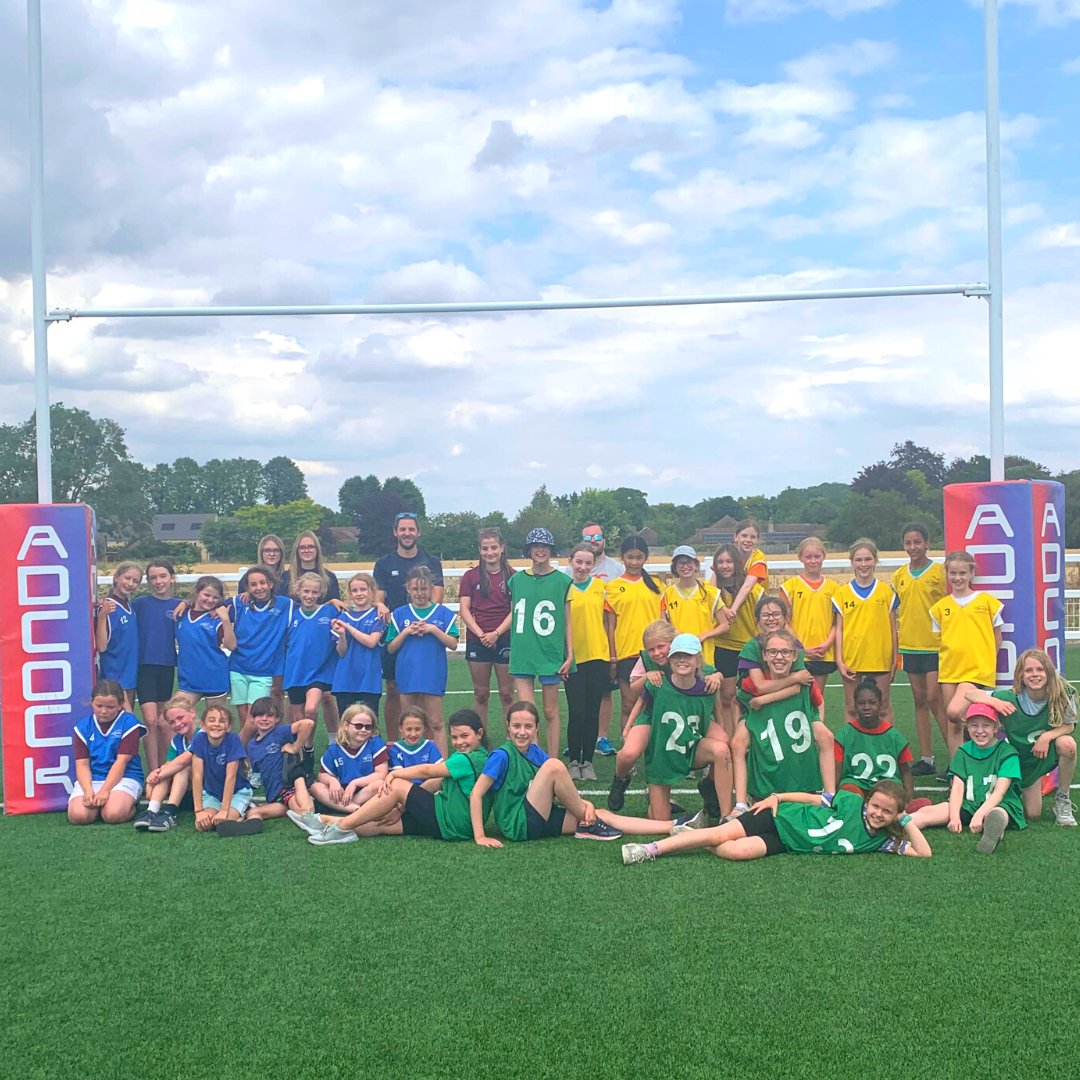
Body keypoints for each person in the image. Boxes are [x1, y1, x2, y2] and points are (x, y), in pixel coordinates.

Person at [469, 702, 683, 845]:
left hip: (539, 816)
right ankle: (586, 817)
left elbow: (558, 790)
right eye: (516, 726)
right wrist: (480, 836)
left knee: (602, 815)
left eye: (527, 726)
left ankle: (674, 826)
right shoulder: (502, 755)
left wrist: (586, 806)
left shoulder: (536, 753)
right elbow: (477, 794)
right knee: (554, 766)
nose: (522, 732)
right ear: (507, 728)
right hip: (518, 824)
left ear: (536, 729)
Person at [291, 708, 493, 844]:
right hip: (451, 824)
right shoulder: (470, 756)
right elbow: (434, 782)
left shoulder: (472, 758)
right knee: (384, 825)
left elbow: (429, 771)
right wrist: (403, 807)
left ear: (480, 734)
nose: (459, 742)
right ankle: (324, 821)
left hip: (453, 821)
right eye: (455, 737)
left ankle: (341, 825)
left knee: (397, 786)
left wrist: (396, 776)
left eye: (465, 736)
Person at [621, 780, 931, 863]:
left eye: (887, 812)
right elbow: (812, 799)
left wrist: (907, 822)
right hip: (780, 817)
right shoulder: (849, 801)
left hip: (788, 842)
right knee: (719, 836)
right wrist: (778, 798)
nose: (878, 814)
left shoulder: (882, 840)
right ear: (868, 800)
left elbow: (924, 853)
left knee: (734, 852)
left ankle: (694, 834)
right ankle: (651, 849)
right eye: (876, 805)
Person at [964, 648, 1077, 826]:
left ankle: (1062, 798)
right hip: (1022, 760)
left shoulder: (1062, 693)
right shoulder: (1010, 697)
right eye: (1029, 670)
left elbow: (1069, 725)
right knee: (1033, 814)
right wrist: (994, 701)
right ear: (1021, 675)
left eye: (1040, 669)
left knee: (1068, 744)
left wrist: (1047, 736)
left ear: (1048, 671)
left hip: (1044, 754)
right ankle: (1016, 792)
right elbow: (969, 693)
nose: (1035, 674)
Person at [730, 630, 835, 817]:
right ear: (764, 655)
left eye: (785, 652)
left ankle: (829, 796)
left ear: (795, 655)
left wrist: (816, 722)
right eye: (772, 652)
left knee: (826, 736)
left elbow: (818, 702)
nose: (779, 657)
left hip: (798, 765)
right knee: (738, 743)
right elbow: (738, 702)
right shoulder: (752, 684)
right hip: (767, 761)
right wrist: (741, 723)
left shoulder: (804, 681)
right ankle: (740, 803)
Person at [628, 634, 731, 821]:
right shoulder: (658, 683)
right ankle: (656, 802)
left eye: (688, 656)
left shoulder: (707, 685)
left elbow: (717, 711)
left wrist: (718, 675)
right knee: (660, 820)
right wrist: (628, 730)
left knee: (722, 748)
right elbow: (640, 705)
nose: (682, 660)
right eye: (677, 656)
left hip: (691, 748)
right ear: (670, 660)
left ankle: (726, 815)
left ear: (698, 660)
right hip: (662, 757)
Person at [909, 702, 1025, 854]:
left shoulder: (1007, 753)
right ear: (967, 727)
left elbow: (999, 793)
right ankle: (899, 823)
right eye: (974, 725)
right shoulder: (962, 752)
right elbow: (957, 787)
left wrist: (979, 815)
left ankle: (993, 828)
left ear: (996, 728)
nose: (980, 731)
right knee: (932, 812)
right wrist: (954, 816)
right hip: (969, 803)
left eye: (986, 725)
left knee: (998, 814)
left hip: (1000, 804)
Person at [373, 512, 445, 740]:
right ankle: (395, 743)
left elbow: (437, 597)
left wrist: (424, 623)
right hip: (397, 635)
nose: (407, 533)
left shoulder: (431, 562)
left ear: (418, 532)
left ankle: (427, 745)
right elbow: (378, 598)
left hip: (425, 637)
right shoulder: (384, 564)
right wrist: (380, 606)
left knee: (425, 694)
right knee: (393, 690)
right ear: (395, 532)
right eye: (402, 529)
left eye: (411, 529)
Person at [929, 550, 1004, 759]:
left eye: (962, 572)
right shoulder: (939, 607)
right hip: (949, 672)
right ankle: (958, 770)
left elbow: (997, 638)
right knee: (953, 724)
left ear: (971, 573)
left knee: (955, 713)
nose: (958, 577)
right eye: (953, 573)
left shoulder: (987, 602)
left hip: (976, 673)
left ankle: (980, 763)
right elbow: (942, 641)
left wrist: (985, 661)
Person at [508, 528, 573, 757]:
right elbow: (515, 613)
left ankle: (552, 762)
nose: (540, 550)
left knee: (550, 710)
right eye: (536, 546)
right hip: (524, 650)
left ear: (551, 549)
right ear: (529, 550)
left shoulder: (562, 581)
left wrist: (570, 654)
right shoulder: (516, 580)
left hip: (550, 650)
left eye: (544, 546)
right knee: (528, 712)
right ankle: (532, 761)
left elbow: (566, 621)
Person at [385, 566, 458, 756]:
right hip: (407, 674)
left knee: (435, 721)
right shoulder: (400, 614)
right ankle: (409, 761)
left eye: (424, 588)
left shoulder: (442, 614)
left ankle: (441, 765)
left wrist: (433, 630)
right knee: (410, 723)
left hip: (433, 673)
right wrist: (407, 632)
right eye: (415, 589)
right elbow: (391, 647)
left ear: (431, 589)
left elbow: (453, 644)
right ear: (408, 589)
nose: (420, 593)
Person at [892, 523, 947, 776]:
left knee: (936, 699)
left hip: (935, 646)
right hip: (910, 646)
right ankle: (927, 758)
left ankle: (958, 757)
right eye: (908, 542)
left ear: (927, 543)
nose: (913, 547)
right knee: (919, 700)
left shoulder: (939, 572)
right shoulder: (899, 575)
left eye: (917, 542)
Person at [605, 535, 663, 744]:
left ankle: (654, 749)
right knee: (629, 704)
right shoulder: (612, 587)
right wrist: (612, 658)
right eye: (630, 557)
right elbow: (610, 626)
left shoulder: (656, 585)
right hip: (626, 653)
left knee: (656, 704)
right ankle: (629, 748)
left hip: (654, 653)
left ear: (645, 558)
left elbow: (663, 621)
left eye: (639, 557)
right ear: (622, 558)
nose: (634, 562)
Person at [833, 538, 898, 723]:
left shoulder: (886, 592)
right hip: (852, 658)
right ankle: (851, 750)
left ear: (875, 560)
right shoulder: (842, 593)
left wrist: (894, 661)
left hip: (880, 658)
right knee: (852, 708)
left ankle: (887, 750)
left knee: (883, 707)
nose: (863, 564)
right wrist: (839, 660)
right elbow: (839, 629)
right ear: (852, 562)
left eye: (868, 559)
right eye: (859, 560)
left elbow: (893, 630)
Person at [68, 678, 145, 826]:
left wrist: (105, 791)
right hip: (95, 777)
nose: (103, 711)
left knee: (113, 814)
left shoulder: (129, 724)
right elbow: (82, 764)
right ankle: (100, 805)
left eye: (110, 707)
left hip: (125, 776)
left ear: (121, 705)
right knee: (79, 816)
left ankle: (130, 805)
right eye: (99, 705)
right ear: (92, 702)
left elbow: (121, 762)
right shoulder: (83, 726)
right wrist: (88, 790)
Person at [458, 527, 515, 723]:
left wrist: (496, 634)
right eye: (485, 548)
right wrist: (482, 634)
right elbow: (464, 609)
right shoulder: (470, 576)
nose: (489, 552)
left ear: (502, 548)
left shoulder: (513, 576)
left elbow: (514, 611)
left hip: (505, 638)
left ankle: (512, 740)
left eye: (493, 547)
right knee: (481, 694)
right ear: (480, 550)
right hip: (477, 640)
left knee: (507, 694)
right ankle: (480, 740)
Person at [703, 543, 761, 732]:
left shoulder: (754, 590)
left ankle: (751, 735)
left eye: (729, 561)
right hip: (723, 646)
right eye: (720, 562)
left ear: (737, 563)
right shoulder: (710, 591)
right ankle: (730, 736)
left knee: (751, 694)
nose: (725, 566)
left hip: (748, 647)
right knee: (726, 695)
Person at [228, 564, 291, 737]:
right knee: (243, 718)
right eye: (253, 584)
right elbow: (211, 603)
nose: (259, 587)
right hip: (238, 668)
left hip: (263, 671)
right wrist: (187, 603)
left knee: (253, 719)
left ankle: (235, 752)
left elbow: (310, 606)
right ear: (247, 588)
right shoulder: (239, 603)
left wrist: (332, 602)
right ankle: (248, 761)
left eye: (263, 583)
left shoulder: (286, 605)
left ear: (271, 583)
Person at [564, 543, 609, 780]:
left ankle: (588, 761)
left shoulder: (601, 588)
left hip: (598, 658)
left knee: (592, 712)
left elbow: (609, 623)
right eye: (579, 562)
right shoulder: (563, 588)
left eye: (588, 563)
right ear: (571, 561)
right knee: (576, 711)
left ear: (593, 564)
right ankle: (573, 761)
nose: (582, 567)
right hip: (573, 659)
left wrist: (612, 655)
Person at [578, 522, 623, 756]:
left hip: (606, 638)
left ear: (604, 539)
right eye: (588, 537)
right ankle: (581, 734)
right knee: (579, 691)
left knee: (604, 691)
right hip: (580, 640)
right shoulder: (573, 569)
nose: (593, 540)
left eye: (597, 536)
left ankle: (601, 738)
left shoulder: (616, 569)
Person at [282, 571, 339, 750]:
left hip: (319, 672)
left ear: (320, 593)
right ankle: (307, 749)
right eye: (306, 591)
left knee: (311, 709)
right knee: (299, 720)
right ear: (298, 591)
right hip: (295, 672)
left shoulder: (329, 612)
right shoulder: (291, 614)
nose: (310, 596)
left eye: (314, 592)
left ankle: (334, 742)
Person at [132, 559, 179, 773]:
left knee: (163, 721)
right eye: (153, 578)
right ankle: (152, 772)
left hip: (167, 666)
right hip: (145, 667)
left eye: (162, 576)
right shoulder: (140, 604)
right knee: (150, 720)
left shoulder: (179, 605)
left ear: (172, 578)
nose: (158, 581)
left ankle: (164, 769)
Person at [835, 677, 914, 803]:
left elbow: (905, 771)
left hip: (887, 784)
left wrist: (909, 800)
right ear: (855, 705)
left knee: (888, 800)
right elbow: (837, 769)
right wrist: (832, 795)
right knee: (849, 797)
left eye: (872, 702)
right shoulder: (845, 734)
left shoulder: (894, 736)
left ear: (881, 704)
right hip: (856, 783)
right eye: (861, 703)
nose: (867, 707)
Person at [244, 696, 317, 822]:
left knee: (300, 808)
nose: (264, 719)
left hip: (288, 788)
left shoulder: (279, 732)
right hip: (274, 795)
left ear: (277, 718)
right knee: (254, 812)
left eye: (269, 715)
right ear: (252, 718)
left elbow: (308, 724)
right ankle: (249, 825)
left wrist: (295, 747)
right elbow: (257, 772)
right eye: (260, 715)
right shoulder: (251, 745)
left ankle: (314, 820)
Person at [780, 537, 838, 695]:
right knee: (795, 697)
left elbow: (837, 623)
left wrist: (826, 644)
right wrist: (801, 648)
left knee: (817, 699)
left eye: (817, 556)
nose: (813, 561)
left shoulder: (834, 588)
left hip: (822, 653)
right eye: (808, 557)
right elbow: (783, 621)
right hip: (796, 653)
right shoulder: (789, 587)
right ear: (800, 558)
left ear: (824, 556)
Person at [135, 695, 199, 832]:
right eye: (171, 722)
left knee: (182, 768)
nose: (177, 724)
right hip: (188, 792)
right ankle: (152, 811)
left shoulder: (203, 735)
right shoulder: (177, 740)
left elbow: (181, 761)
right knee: (168, 770)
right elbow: (168, 765)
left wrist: (153, 780)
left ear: (192, 712)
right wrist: (157, 773)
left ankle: (170, 812)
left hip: (206, 791)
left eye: (180, 718)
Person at [190, 703, 257, 835]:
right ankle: (240, 816)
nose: (216, 724)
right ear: (203, 725)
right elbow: (197, 776)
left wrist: (224, 810)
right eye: (211, 720)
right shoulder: (199, 740)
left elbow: (230, 777)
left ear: (228, 727)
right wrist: (199, 811)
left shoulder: (233, 740)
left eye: (222, 721)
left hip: (237, 792)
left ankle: (245, 812)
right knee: (202, 825)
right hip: (212, 793)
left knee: (223, 822)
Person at [311, 703, 389, 811]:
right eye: (358, 726)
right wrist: (332, 781)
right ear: (346, 726)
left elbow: (381, 774)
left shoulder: (375, 743)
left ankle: (346, 807)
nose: (363, 730)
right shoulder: (335, 749)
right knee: (316, 787)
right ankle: (354, 809)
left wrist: (355, 783)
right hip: (342, 791)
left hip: (366, 789)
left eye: (368, 727)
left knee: (379, 784)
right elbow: (322, 775)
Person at [174, 576, 235, 705]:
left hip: (214, 678)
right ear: (197, 592)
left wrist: (225, 620)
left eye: (215, 597)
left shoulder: (216, 618)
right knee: (174, 712)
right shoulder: (182, 613)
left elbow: (231, 646)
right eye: (206, 595)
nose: (210, 600)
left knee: (215, 722)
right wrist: (185, 602)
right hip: (189, 680)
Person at [330, 572, 385, 715]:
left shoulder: (378, 615)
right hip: (345, 677)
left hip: (369, 676)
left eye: (363, 589)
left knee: (370, 723)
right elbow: (341, 652)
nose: (359, 594)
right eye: (354, 590)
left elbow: (372, 642)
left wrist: (348, 628)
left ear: (372, 591)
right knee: (346, 723)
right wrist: (342, 635)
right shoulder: (343, 616)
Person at [95, 561, 142, 711]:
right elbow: (101, 646)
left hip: (129, 676)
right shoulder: (108, 607)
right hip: (114, 678)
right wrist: (102, 617)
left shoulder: (129, 606)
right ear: (116, 578)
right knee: (124, 726)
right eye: (127, 578)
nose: (130, 583)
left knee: (126, 727)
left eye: (135, 581)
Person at [714, 518, 769, 626]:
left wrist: (732, 611)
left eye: (752, 537)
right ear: (735, 537)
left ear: (757, 540)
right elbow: (713, 583)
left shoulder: (758, 558)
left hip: (754, 602)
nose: (748, 540)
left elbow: (747, 586)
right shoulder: (729, 553)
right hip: (731, 602)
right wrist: (723, 608)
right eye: (744, 535)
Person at [661, 546, 719, 639]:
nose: (685, 566)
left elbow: (724, 625)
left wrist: (704, 636)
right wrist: (677, 634)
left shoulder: (709, 592)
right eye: (681, 563)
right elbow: (663, 623)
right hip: (678, 648)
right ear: (675, 567)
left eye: (689, 562)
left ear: (696, 565)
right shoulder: (668, 593)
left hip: (704, 649)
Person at [388, 705, 444, 776]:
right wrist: (425, 771)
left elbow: (439, 772)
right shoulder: (395, 750)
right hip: (405, 785)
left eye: (417, 729)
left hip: (428, 785)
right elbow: (398, 775)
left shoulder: (430, 746)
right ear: (401, 728)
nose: (413, 734)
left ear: (424, 728)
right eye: (409, 729)